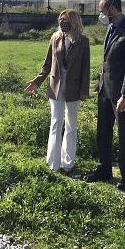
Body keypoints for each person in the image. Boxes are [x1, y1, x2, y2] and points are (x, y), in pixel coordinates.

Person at [86, 0, 125, 191]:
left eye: (102, 11)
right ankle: (104, 169)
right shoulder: (110, 29)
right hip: (105, 90)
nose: (101, 14)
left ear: (112, 9)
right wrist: (100, 83)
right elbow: (108, 62)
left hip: (121, 94)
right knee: (103, 132)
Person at [25, 9, 90, 174]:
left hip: (74, 89)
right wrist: (37, 81)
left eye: (66, 20)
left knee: (71, 126)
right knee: (55, 124)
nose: (62, 23)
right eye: (61, 20)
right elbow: (47, 64)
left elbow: (85, 68)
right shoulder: (55, 38)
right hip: (56, 88)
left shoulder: (83, 41)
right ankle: (53, 163)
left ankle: (68, 163)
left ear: (74, 22)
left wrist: (84, 90)